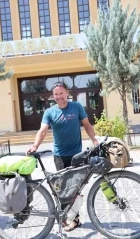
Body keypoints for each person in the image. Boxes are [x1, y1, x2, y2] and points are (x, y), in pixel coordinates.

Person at [27, 81, 99, 232]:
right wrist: (35, 146)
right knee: (63, 189)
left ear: (67, 93)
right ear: (53, 96)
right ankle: (69, 218)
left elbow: (87, 125)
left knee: (75, 188)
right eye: (56, 94)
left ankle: (73, 218)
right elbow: (43, 131)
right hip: (59, 156)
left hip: (77, 155)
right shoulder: (50, 112)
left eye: (61, 93)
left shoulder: (76, 107)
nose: (59, 96)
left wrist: (94, 140)